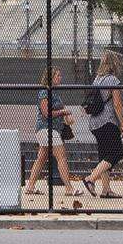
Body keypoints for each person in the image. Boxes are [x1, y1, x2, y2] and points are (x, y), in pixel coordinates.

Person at [25, 66, 83, 197]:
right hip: (46, 129)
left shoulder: (55, 92)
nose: (60, 78)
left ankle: (30, 187)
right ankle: (69, 188)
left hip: (53, 129)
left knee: (41, 158)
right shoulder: (44, 92)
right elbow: (46, 113)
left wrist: (66, 116)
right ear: (51, 77)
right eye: (58, 75)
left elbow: (61, 109)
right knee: (61, 156)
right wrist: (62, 112)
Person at [80, 51, 123, 199]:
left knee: (104, 155)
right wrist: (122, 123)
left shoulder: (97, 79)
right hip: (108, 121)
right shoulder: (113, 80)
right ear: (114, 64)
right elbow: (117, 104)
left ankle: (106, 190)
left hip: (95, 122)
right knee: (116, 153)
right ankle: (90, 179)